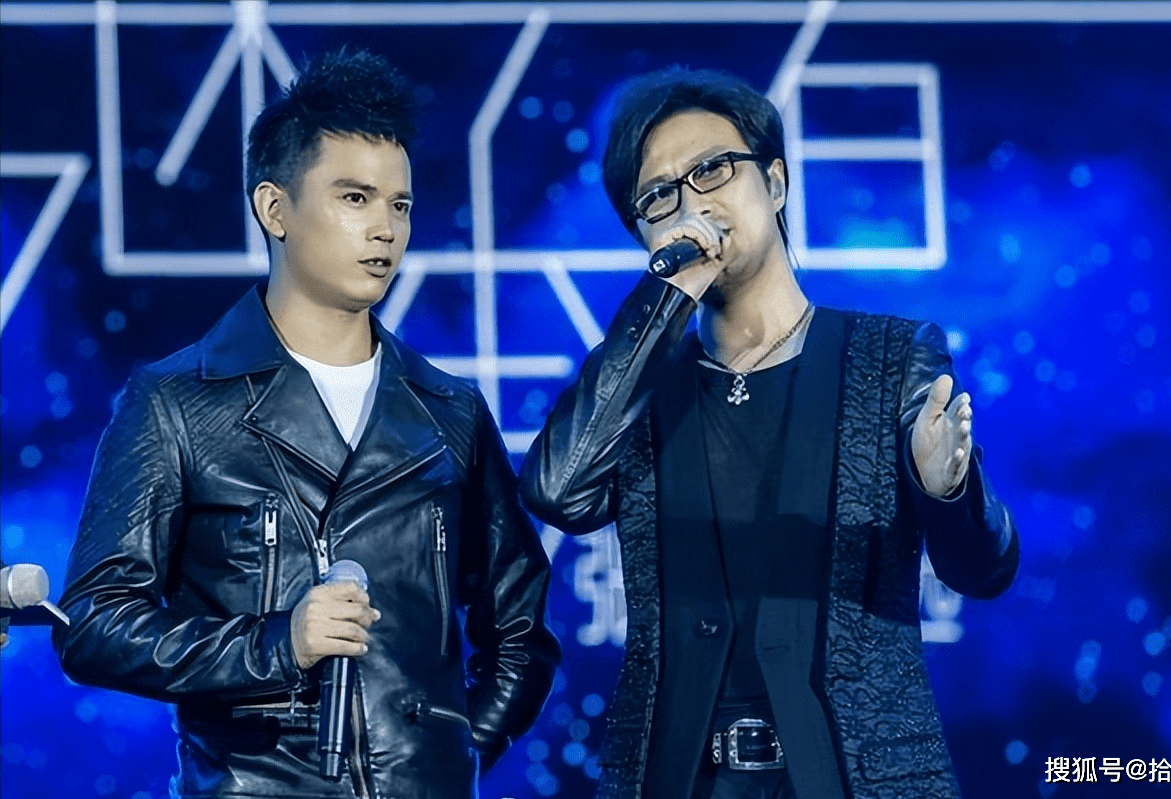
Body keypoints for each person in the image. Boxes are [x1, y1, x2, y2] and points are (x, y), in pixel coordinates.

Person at [55, 49, 559, 799]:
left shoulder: (450, 410)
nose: (385, 230)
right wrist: (275, 645)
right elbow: (95, 624)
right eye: (355, 198)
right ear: (274, 209)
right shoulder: (175, 401)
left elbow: (518, 632)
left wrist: (451, 755)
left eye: (400, 205)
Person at [521, 68, 1019, 799]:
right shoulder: (634, 389)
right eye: (659, 196)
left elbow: (983, 570)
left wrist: (945, 489)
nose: (692, 203)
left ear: (775, 183)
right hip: (676, 778)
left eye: (712, 170)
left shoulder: (889, 356)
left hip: (859, 774)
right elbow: (558, 491)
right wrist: (663, 303)